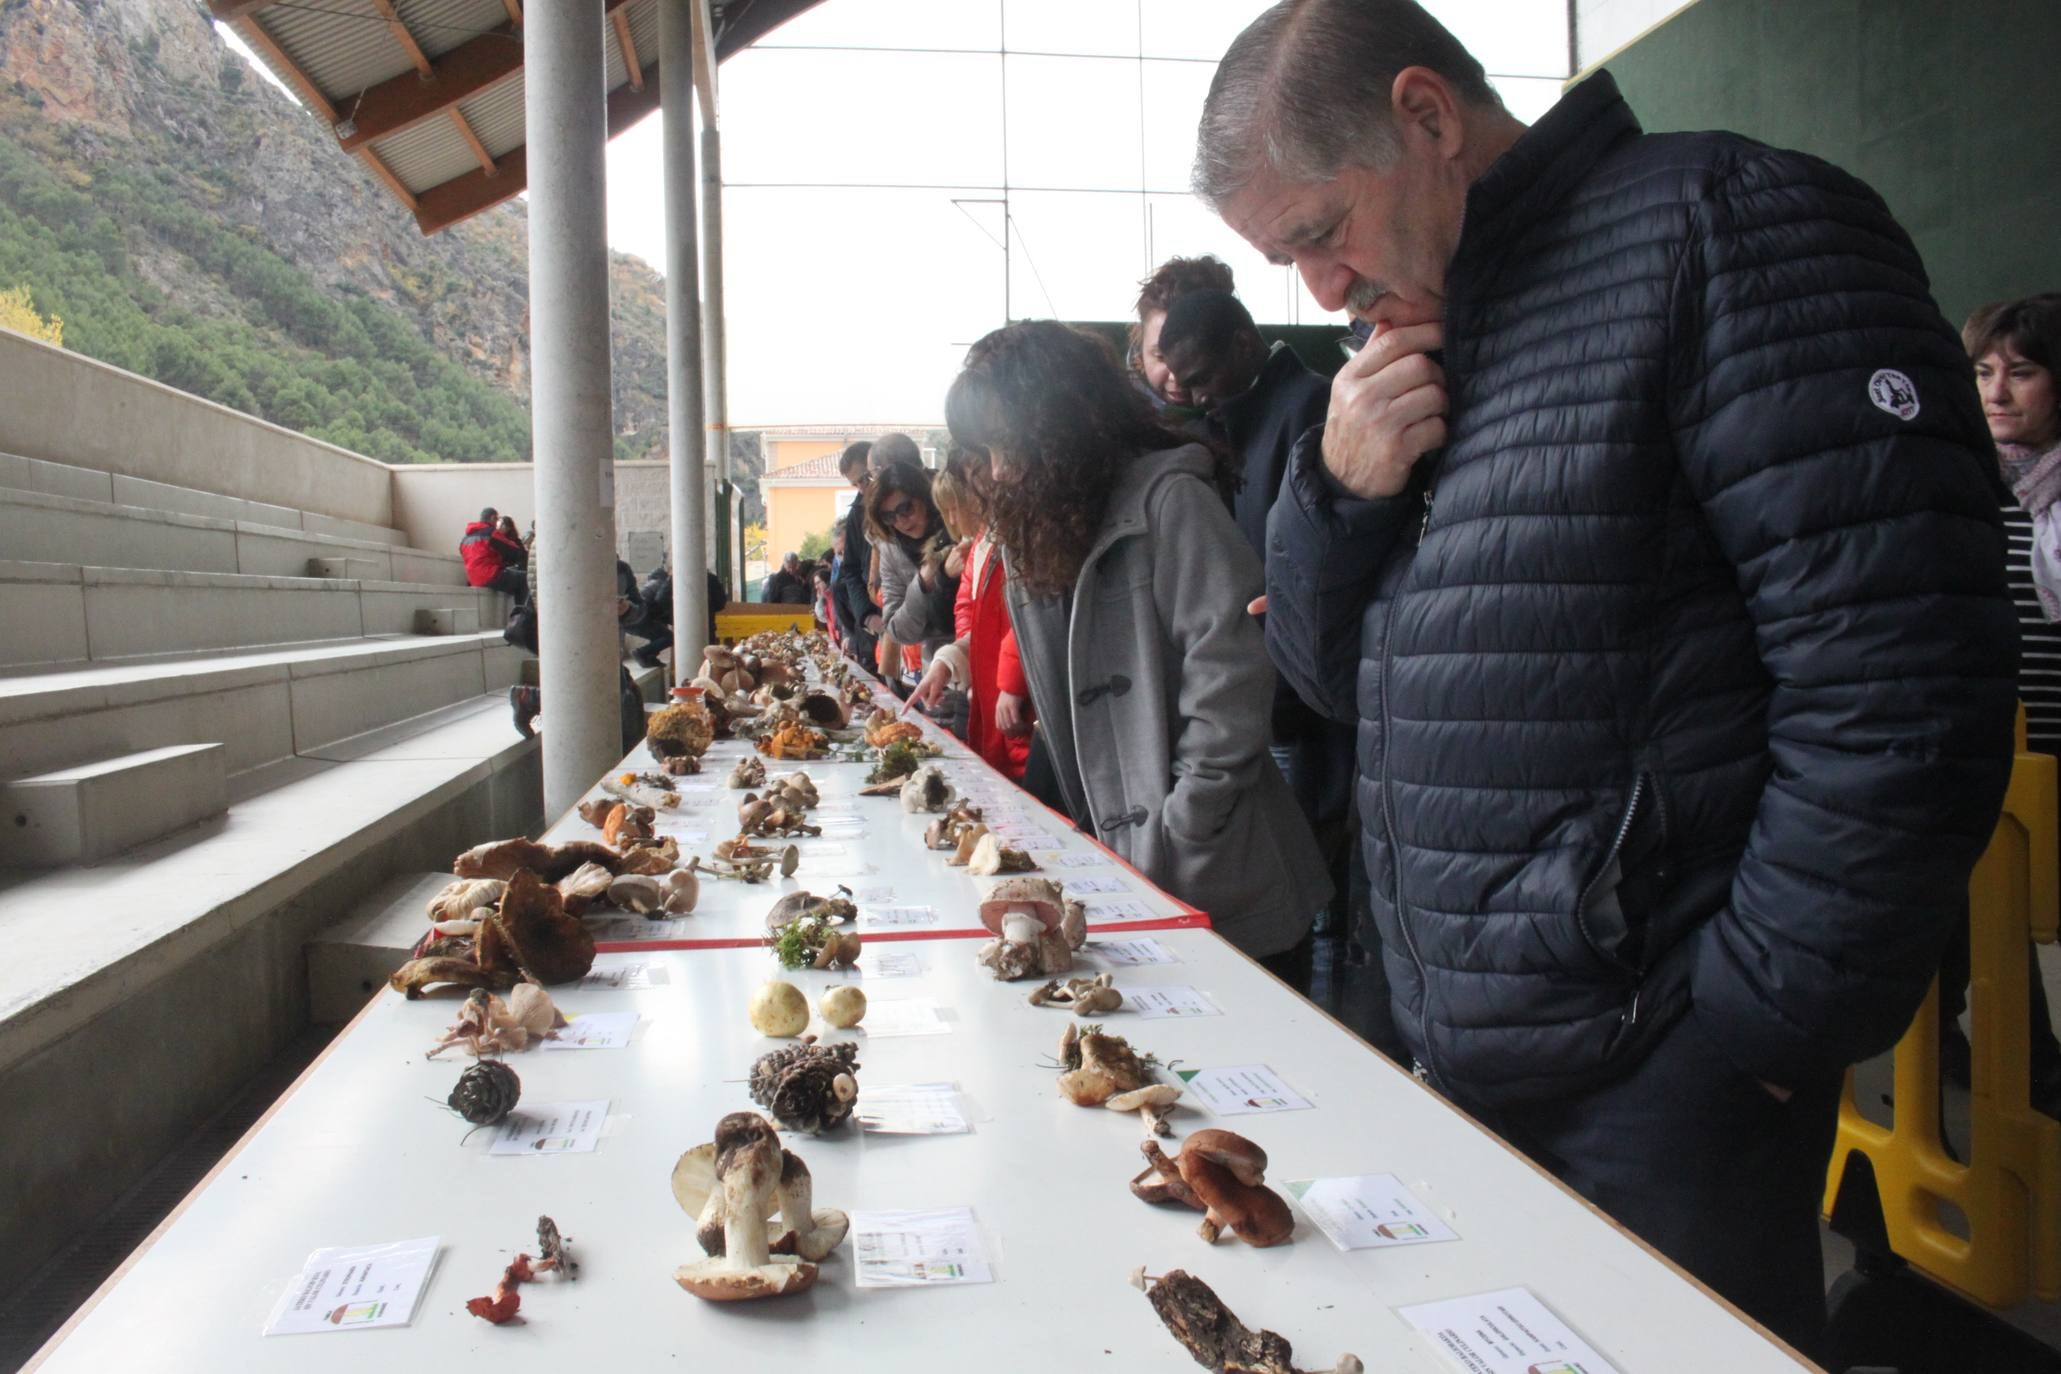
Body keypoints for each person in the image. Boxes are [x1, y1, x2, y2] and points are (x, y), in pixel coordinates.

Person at [1196, 0, 2016, 1351]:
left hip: (1665, 1069)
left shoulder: (1728, 226)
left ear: (1426, 116)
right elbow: (1328, 685)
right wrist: (1338, 497)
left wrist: (1746, 1036)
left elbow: (1903, 679)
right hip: (1465, 1054)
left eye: (1317, 232)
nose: (1318, 289)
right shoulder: (1406, 346)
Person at [945, 320, 1330, 972]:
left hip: (1222, 874)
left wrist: (1186, 822)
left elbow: (1230, 673)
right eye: (986, 453)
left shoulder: (1170, 500)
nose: (1000, 471)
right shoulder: (1037, 533)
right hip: (1122, 876)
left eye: (1007, 445)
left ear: (1058, 425)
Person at [1157, 287, 1370, 1008]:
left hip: (1302, 689)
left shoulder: (1311, 407)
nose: (1188, 391)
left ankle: (1323, 1020)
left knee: (1312, 869)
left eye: (1199, 373)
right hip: (1266, 685)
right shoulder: (1230, 421)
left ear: (1244, 343)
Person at [1944, 294, 2061, 1116]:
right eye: (1982, 372)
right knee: (1979, 913)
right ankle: (2028, 1070)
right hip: (1990, 751)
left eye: (2020, 373)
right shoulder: (1958, 486)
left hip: (2054, 749)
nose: (1995, 392)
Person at [911, 447, 1032, 781]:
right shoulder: (981, 544)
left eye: (954, 507)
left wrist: (1009, 681)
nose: (950, 519)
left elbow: (1023, 621)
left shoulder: (1012, 540)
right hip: (988, 690)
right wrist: (950, 659)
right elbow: (971, 616)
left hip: (1012, 701)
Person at [866, 461, 959, 678]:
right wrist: (922, 583)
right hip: (935, 670)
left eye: (905, 508)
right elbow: (896, 630)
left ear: (924, 498)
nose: (900, 521)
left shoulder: (956, 523)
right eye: (889, 517)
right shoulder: (889, 548)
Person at [1129, 254, 1236, 415]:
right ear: (1140, 352)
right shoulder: (1114, 414)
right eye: (1161, 357)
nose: (1177, 378)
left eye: (1194, 356)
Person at [831, 441, 877, 668]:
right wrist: (867, 615)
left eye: (866, 479)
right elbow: (850, 570)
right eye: (855, 484)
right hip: (871, 632)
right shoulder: (856, 516)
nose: (862, 488)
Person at [460, 506, 528, 600]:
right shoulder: (491, 533)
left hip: (473, 579)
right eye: (497, 520)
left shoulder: (465, 539)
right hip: (490, 575)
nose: (497, 524)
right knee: (526, 579)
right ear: (493, 518)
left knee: (514, 578)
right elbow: (514, 550)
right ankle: (525, 613)